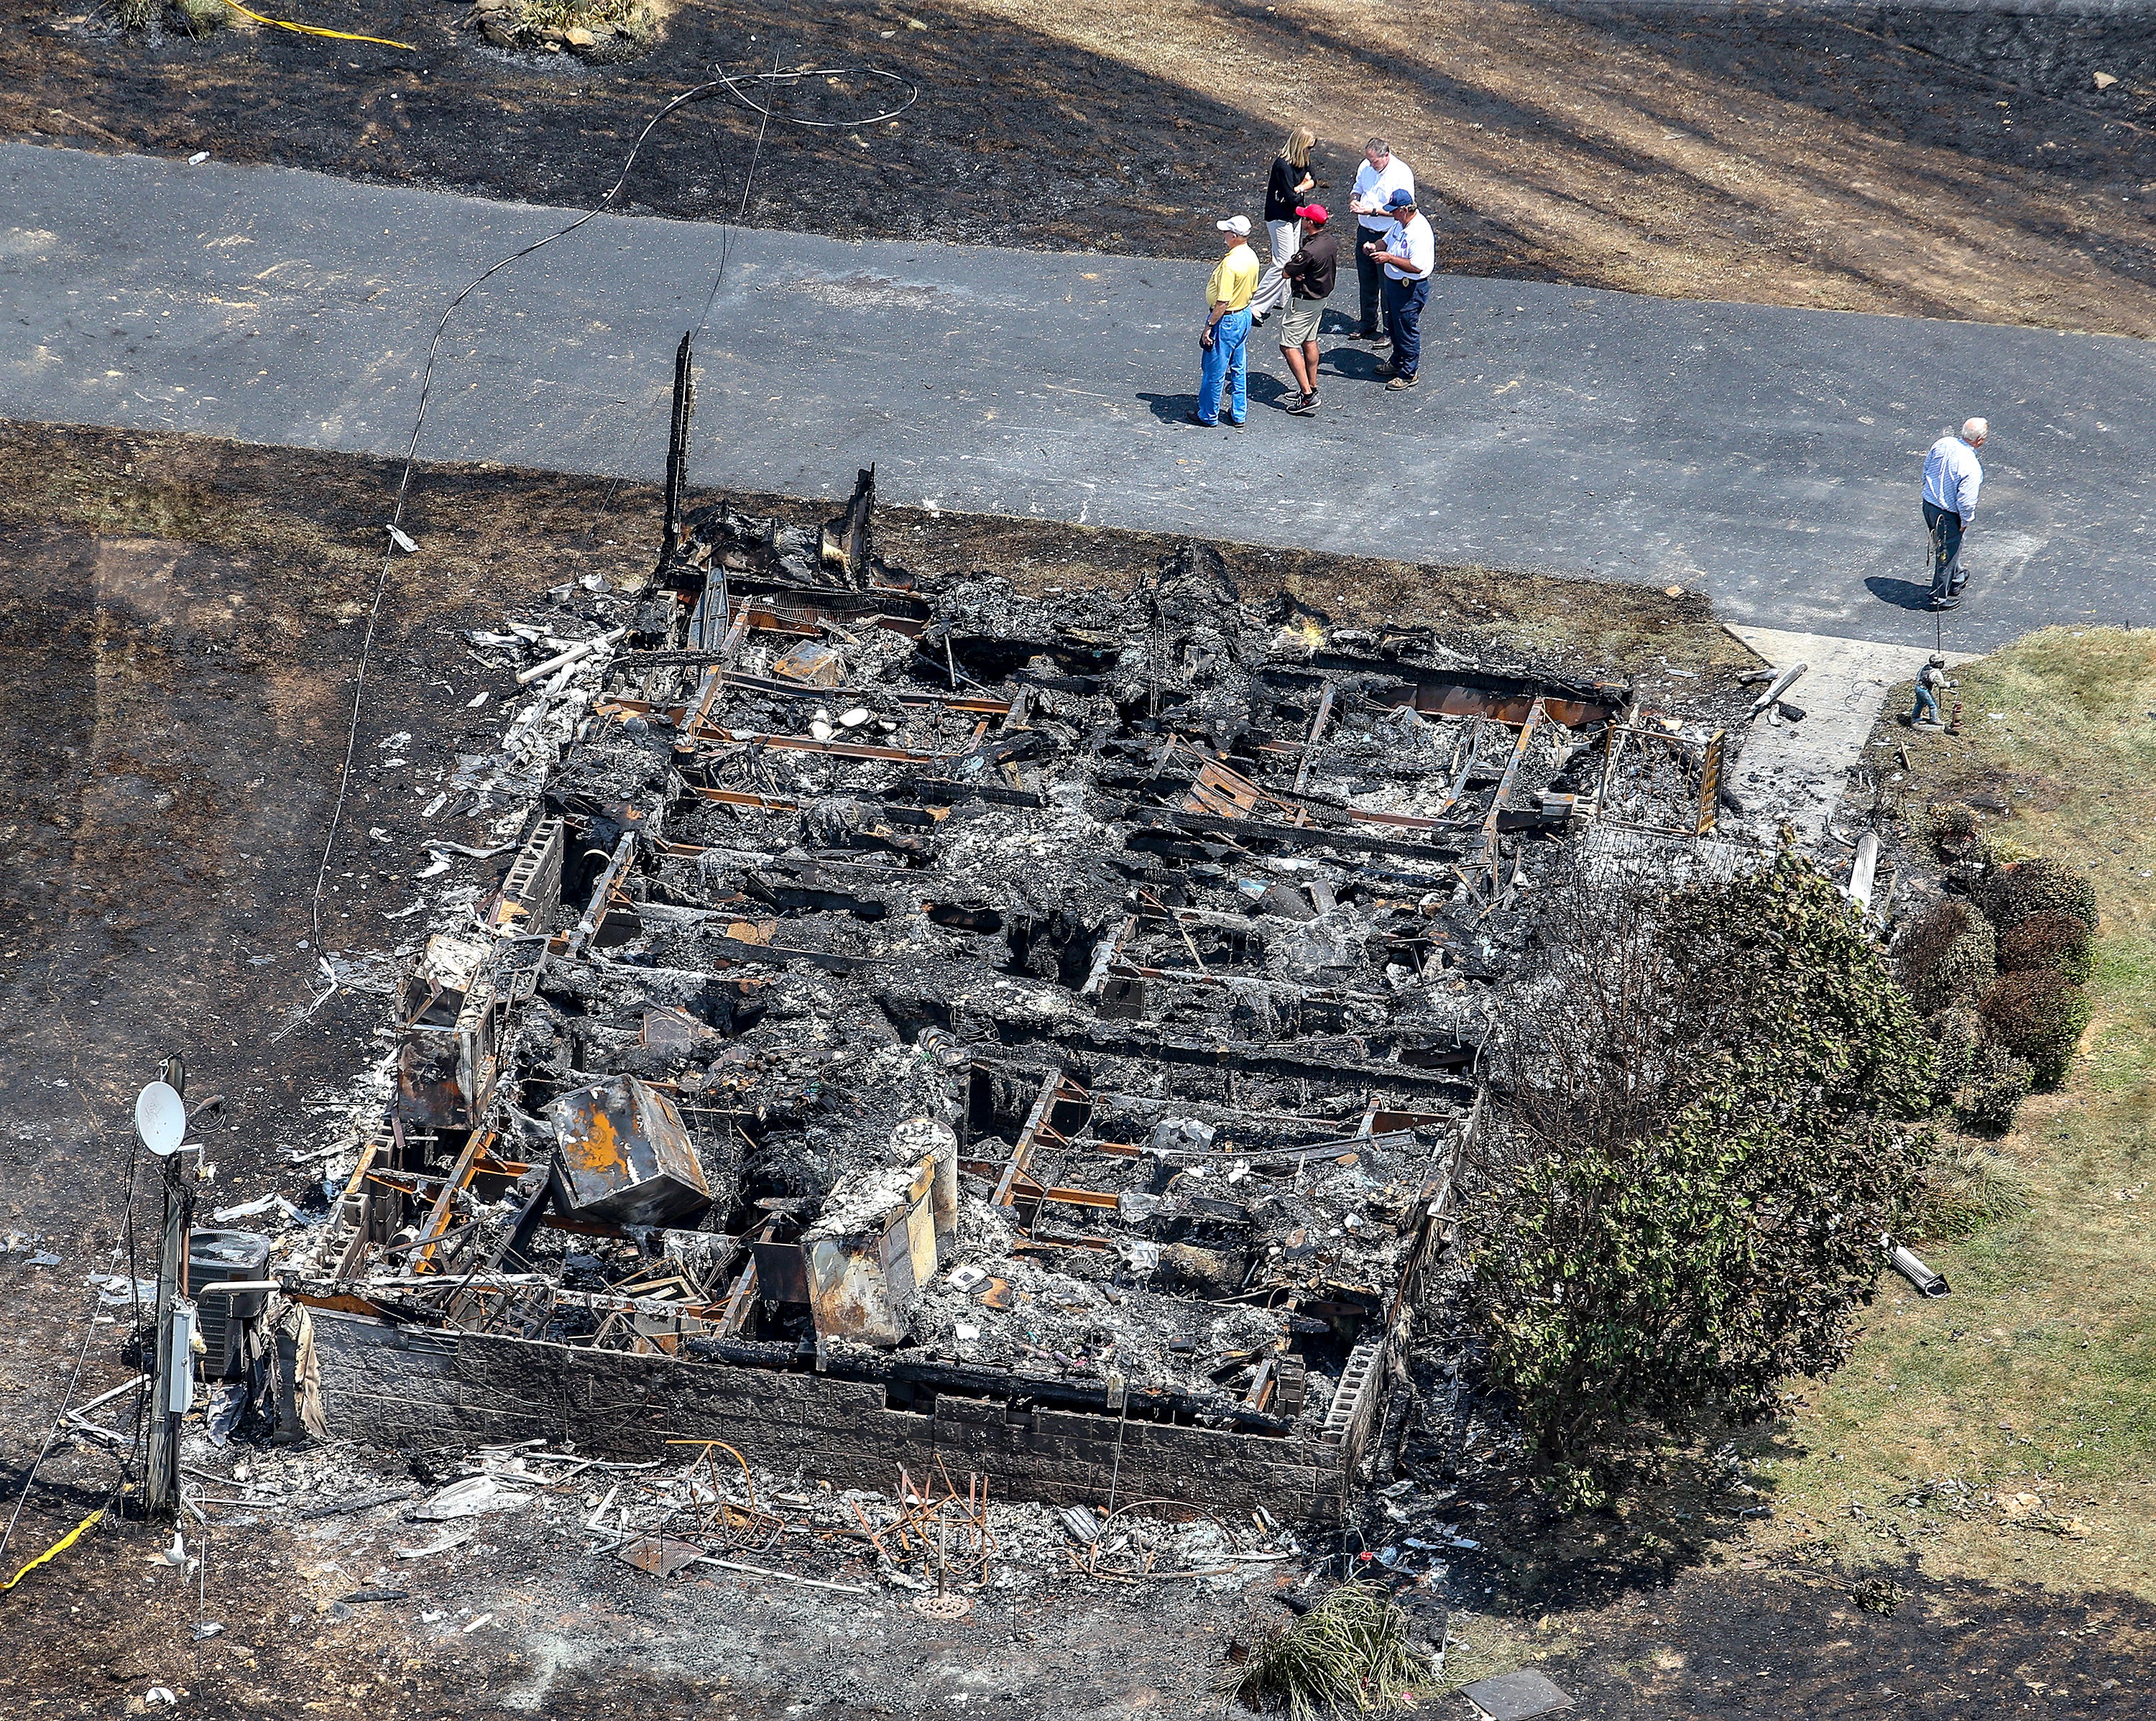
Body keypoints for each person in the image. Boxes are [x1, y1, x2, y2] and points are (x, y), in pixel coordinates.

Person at [1363, 188, 1434, 390]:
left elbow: (1417, 266)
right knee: (1394, 325)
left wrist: (1390, 259)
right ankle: (1397, 361)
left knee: (1406, 329)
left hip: (1410, 287)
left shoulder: (1418, 231)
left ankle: (1409, 373)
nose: (1392, 213)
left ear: (1405, 209)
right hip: (1394, 284)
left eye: (1394, 210)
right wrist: (1374, 247)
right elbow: (1385, 241)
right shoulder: (1400, 224)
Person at [1192, 216, 1259, 428]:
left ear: (1234, 236)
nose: (1224, 236)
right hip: (1244, 316)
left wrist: (1209, 326)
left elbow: (1223, 301)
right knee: (1238, 367)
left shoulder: (1231, 263)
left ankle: (1208, 415)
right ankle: (1239, 413)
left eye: (1226, 232)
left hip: (1227, 319)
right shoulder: (1251, 256)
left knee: (1215, 370)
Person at [1348, 139, 1414, 343]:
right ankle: (1367, 322)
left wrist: (1372, 211)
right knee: (1366, 280)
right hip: (1365, 231)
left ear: (1386, 156)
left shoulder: (1401, 173)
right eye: (1368, 159)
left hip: (1387, 234)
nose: (1370, 164)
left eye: (1374, 161)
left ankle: (1389, 330)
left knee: (1387, 283)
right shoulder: (1366, 166)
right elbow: (1357, 187)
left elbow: (1405, 209)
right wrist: (1354, 198)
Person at [1250, 126, 1317, 327]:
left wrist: (1302, 186)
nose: (1310, 152)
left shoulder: (1303, 160)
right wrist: (1301, 187)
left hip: (1294, 216)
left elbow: (1313, 179)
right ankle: (1256, 307)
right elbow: (1292, 197)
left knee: (1291, 256)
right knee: (1283, 263)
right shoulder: (1282, 165)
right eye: (1308, 148)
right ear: (1299, 146)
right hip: (1279, 217)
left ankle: (1281, 298)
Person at [1276, 203, 1337, 415]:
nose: (1302, 220)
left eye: (1304, 218)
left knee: (1288, 345)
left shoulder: (1309, 250)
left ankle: (1308, 396)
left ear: (1310, 223)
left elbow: (1286, 272)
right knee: (1309, 341)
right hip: (1320, 299)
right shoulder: (1329, 241)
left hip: (1304, 301)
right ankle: (1312, 386)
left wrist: (1295, 273)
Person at [1922, 417, 1988, 609]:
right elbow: (1966, 501)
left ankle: (1957, 577)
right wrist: (1966, 521)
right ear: (1980, 441)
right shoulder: (1971, 467)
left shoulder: (1943, 443)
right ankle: (1938, 596)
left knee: (1948, 545)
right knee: (1946, 553)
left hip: (1929, 505)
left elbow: (1927, 468)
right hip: (1948, 514)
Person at [1908, 655, 1953, 726]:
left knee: (1920, 703)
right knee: (1933, 705)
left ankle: (1915, 716)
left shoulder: (1925, 667)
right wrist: (1951, 684)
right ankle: (1934, 719)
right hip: (1924, 690)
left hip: (1918, 687)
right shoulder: (1936, 672)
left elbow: (1918, 676)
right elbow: (1942, 684)